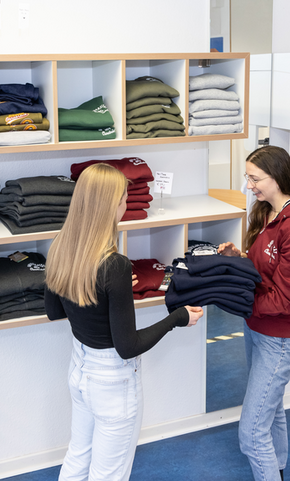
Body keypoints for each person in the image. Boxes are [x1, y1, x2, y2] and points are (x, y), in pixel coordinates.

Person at [45, 163, 204, 481]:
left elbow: (56, 311)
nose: (126, 204)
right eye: (124, 198)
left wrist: (113, 293)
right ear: (111, 206)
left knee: (78, 457)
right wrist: (177, 318)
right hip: (112, 384)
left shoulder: (61, 246)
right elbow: (127, 347)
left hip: (79, 372)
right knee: (108, 475)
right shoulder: (114, 265)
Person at [218, 146, 290, 481]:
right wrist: (241, 259)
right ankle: (276, 471)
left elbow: (286, 299)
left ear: (278, 177)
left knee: (251, 433)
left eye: (255, 178)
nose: (249, 185)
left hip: (279, 338)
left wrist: (236, 301)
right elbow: (266, 271)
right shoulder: (267, 213)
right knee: (272, 408)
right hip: (257, 328)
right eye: (247, 177)